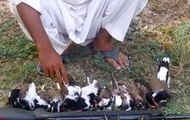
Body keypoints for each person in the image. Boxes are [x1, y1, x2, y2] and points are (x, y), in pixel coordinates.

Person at [9, 0, 148, 87]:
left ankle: (103, 41)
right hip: (57, 8)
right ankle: (57, 47)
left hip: (98, 8)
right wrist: (44, 49)